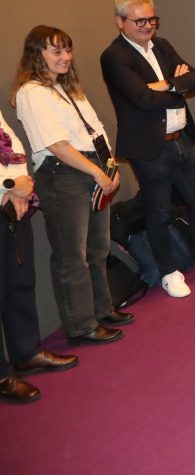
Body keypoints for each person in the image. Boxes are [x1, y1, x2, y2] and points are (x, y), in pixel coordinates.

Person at [100, 0, 195, 298]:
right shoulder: (114, 56)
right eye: (140, 21)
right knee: (159, 212)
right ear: (120, 22)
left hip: (181, 139)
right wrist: (176, 86)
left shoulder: (162, 45)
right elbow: (143, 98)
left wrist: (166, 84)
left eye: (152, 19)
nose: (148, 26)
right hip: (149, 148)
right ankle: (168, 272)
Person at [14, 26, 126, 345]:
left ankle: (102, 309)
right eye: (56, 51)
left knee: (98, 248)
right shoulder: (31, 92)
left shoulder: (66, 87)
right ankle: (81, 325)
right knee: (71, 255)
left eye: (67, 50)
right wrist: (97, 173)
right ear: (37, 54)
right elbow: (56, 144)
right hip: (62, 174)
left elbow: (95, 130)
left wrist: (110, 166)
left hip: (92, 168)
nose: (65, 57)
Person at [1, 109, 78, 404]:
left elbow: (12, 145)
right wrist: (8, 186)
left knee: (20, 281)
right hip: (7, 193)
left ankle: (26, 353)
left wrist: (19, 186)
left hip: (11, 205)